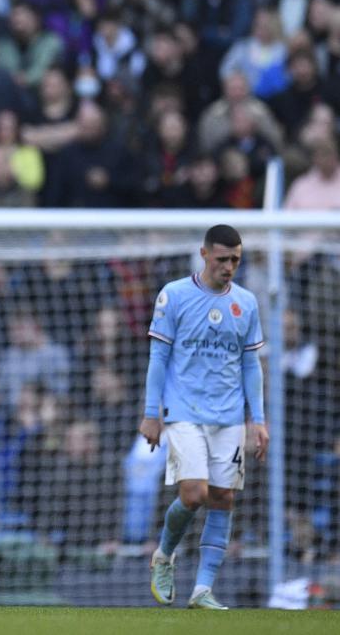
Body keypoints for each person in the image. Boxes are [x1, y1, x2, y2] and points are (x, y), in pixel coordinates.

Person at [142, 224, 268, 610]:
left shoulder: (246, 303)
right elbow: (159, 357)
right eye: (222, 259)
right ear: (203, 254)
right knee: (194, 493)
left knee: (223, 497)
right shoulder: (174, 295)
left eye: (235, 260)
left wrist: (257, 419)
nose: (229, 267)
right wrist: (151, 414)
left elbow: (251, 364)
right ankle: (164, 555)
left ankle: (202, 590)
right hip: (183, 413)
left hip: (228, 416)